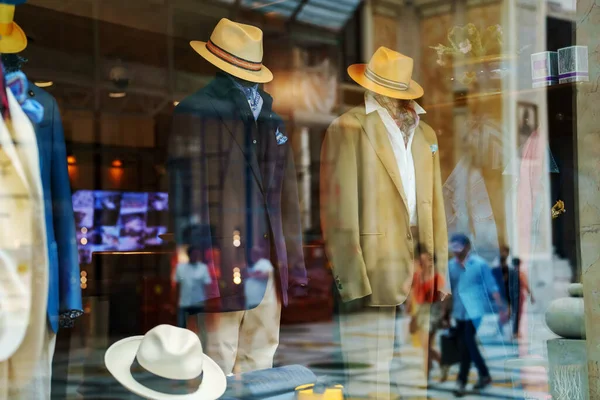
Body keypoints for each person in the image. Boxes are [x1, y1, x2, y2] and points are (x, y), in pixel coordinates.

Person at [447, 233, 507, 396]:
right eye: (454, 249)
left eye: (459, 249)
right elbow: (448, 291)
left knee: (467, 341)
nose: (456, 252)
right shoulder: (450, 266)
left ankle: (462, 381)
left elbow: (492, 286)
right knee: (465, 345)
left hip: (475, 311)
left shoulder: (479, 264)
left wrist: (502, 308)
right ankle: (484, 374)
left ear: (467, 247)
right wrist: (445, 314)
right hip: (459, 311)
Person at [406, 243, 447, 382]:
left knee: (426, 345)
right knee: (426, 346)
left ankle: (429, 372)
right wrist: (410, 310)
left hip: (433, 311)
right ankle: (439, 365)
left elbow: (444, 296)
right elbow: (410, 290)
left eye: (426, 261)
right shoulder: (416, 276)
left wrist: (445, 315)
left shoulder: (437, 277)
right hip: (421, 312)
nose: (423, 264)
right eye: (421, 261)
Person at [174, 245, 213, 328]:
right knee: (182, 327)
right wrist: (174, 302)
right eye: (193, 254)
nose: (195, 256)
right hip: (184, 303)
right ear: (189, 255)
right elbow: (177, 286)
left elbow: (207, 286)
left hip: (199, 303)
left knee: (201, 327)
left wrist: (209, 302)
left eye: (197, 254)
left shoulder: (203, 268)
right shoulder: (180, 268)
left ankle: (201, 341)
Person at [491, 245, 519, 337]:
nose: (504, 254)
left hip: (510, 291)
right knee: (504, 312)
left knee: (511, 312)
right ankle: (502, 329)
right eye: (502, 251)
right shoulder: (496, 263)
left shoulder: (510, 263)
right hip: (501, 292)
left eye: (505, 251)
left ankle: (511, 331)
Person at [513, 257, 534, 339]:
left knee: (514, 315)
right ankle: (516, 332)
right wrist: (531, 296)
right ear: (520, 264)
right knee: (518, 315)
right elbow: (526, 285)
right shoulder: (520, 274)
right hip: (519, 297)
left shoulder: (510, 273)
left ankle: (515, 331)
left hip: (511, 297)